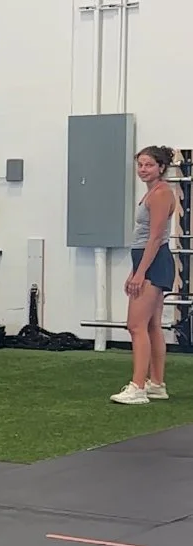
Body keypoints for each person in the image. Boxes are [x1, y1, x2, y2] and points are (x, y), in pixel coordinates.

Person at [112, 144, 177, 405]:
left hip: (154, 261)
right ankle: (156, 384)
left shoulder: (161, 194)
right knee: (150, 326)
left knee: (135, 325)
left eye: (149, 165)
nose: (143, 169)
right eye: (140, 164)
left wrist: (141, 273)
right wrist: (134, 271)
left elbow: (155, 238)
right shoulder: (153, 192)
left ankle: (138, 387)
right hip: (146, 261)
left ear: (161, 167)